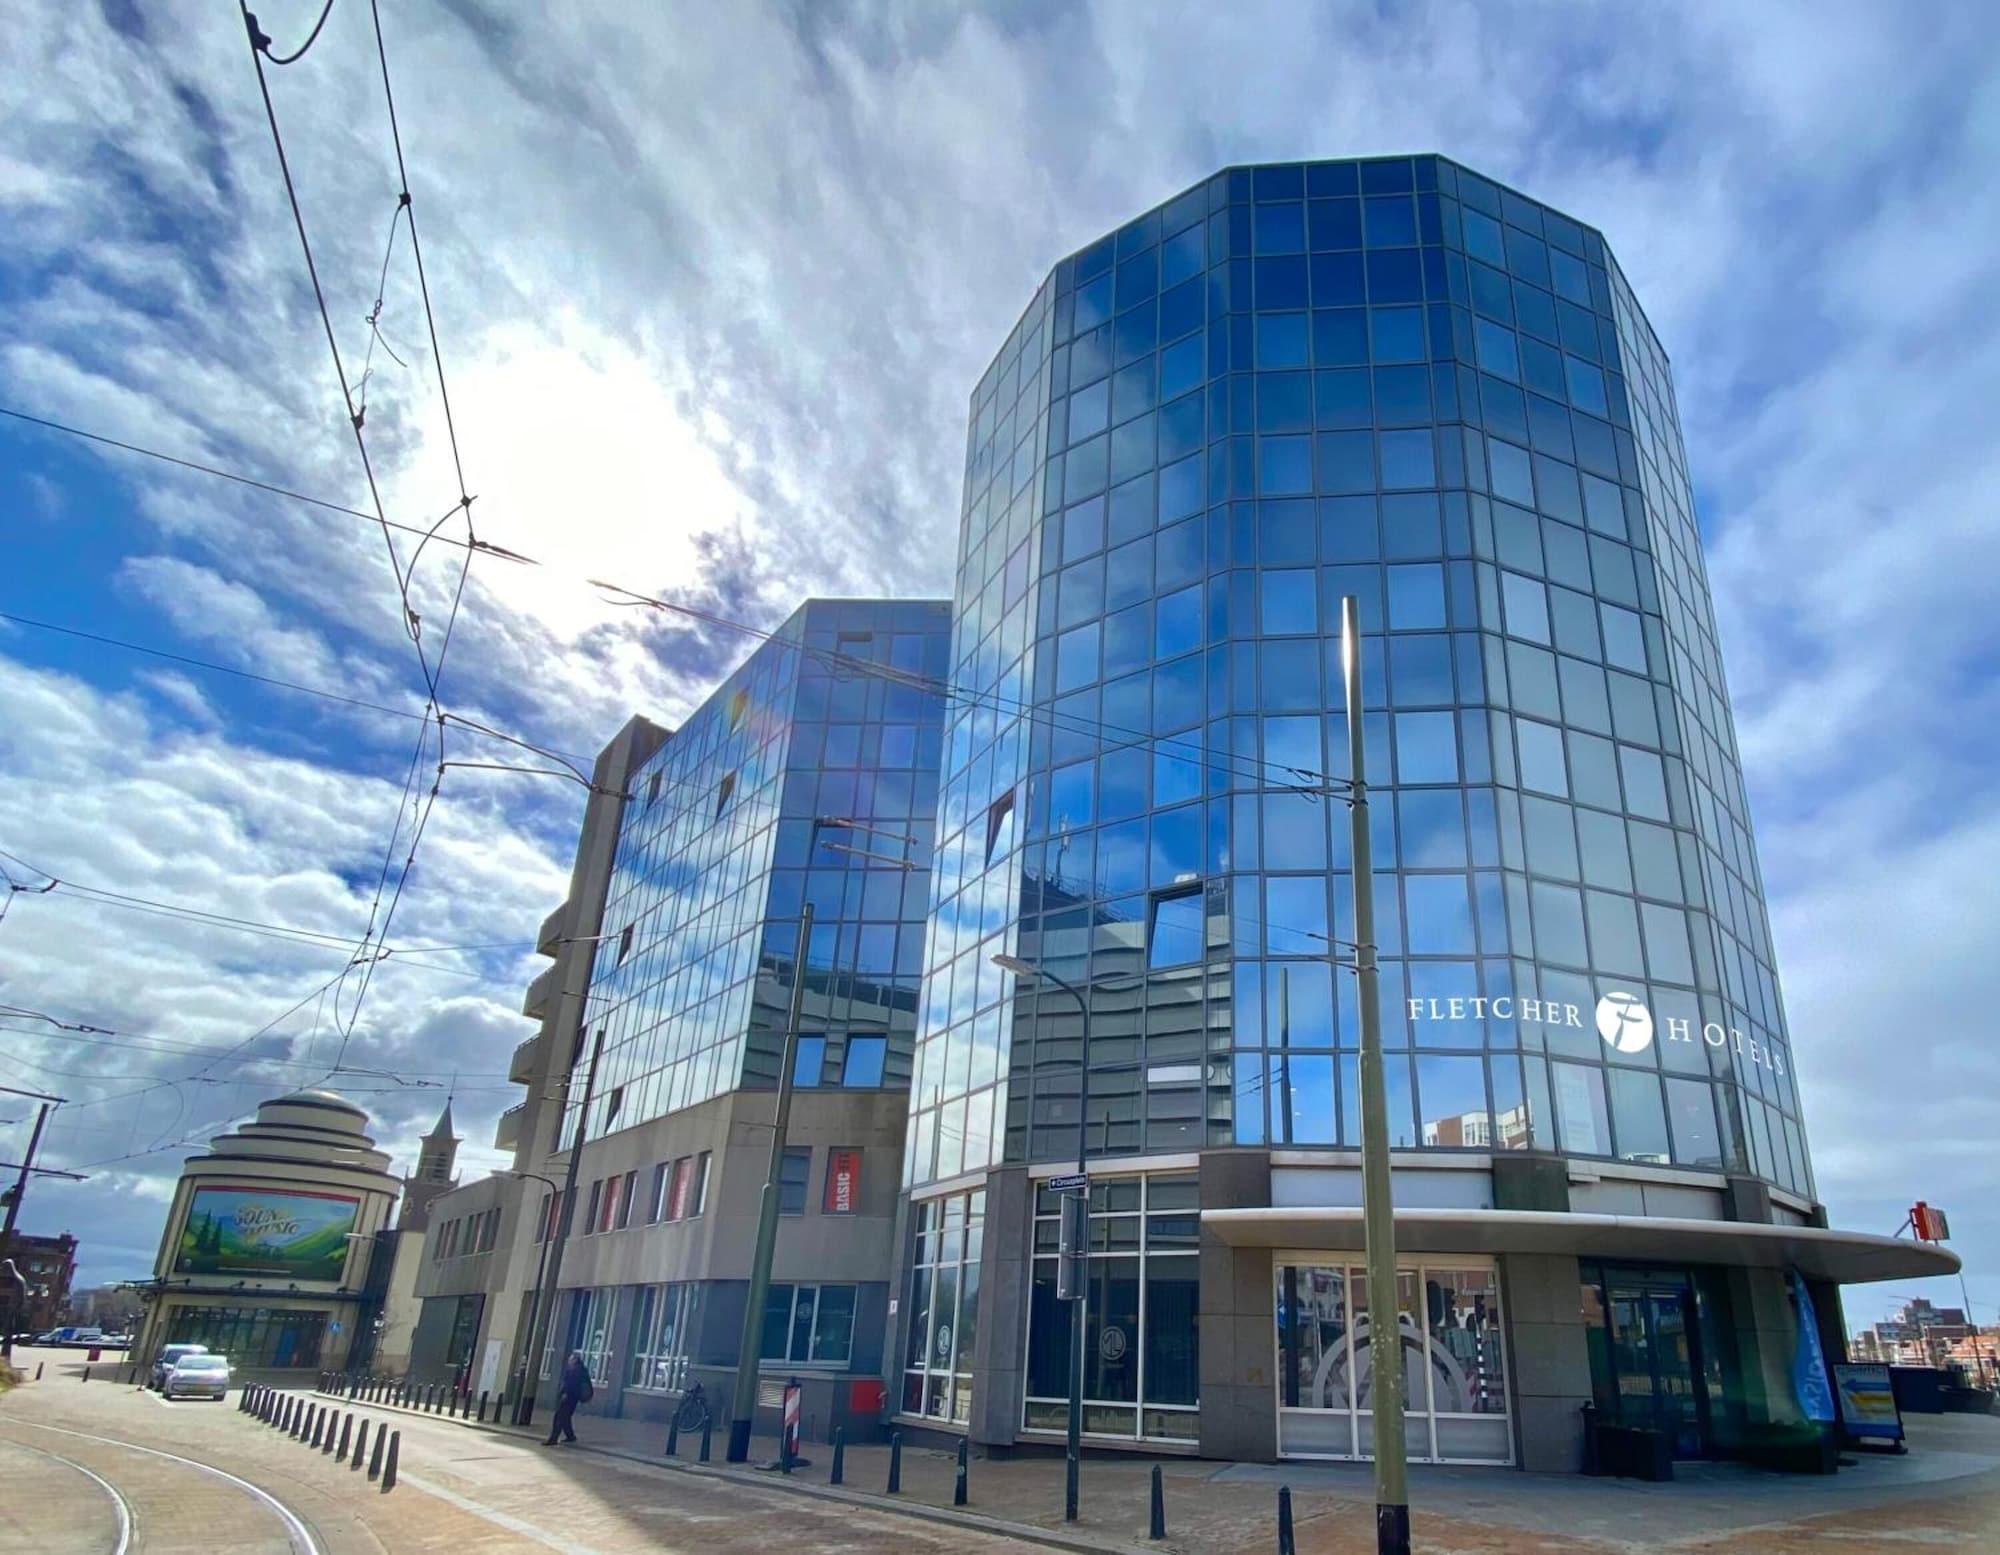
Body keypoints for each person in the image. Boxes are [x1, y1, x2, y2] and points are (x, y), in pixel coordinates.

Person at [544, 1350, 593, 1445]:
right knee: (565, 1417)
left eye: (570, 1359)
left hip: (569, 1397)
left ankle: (553, 1438)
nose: (569, 1361)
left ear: (575, 1360)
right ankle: (570, 1436)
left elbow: (570, 1384)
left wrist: (564, 1393)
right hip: (573, 1398)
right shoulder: (581, 1369)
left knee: (559, 1416)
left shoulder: (574, 1370)